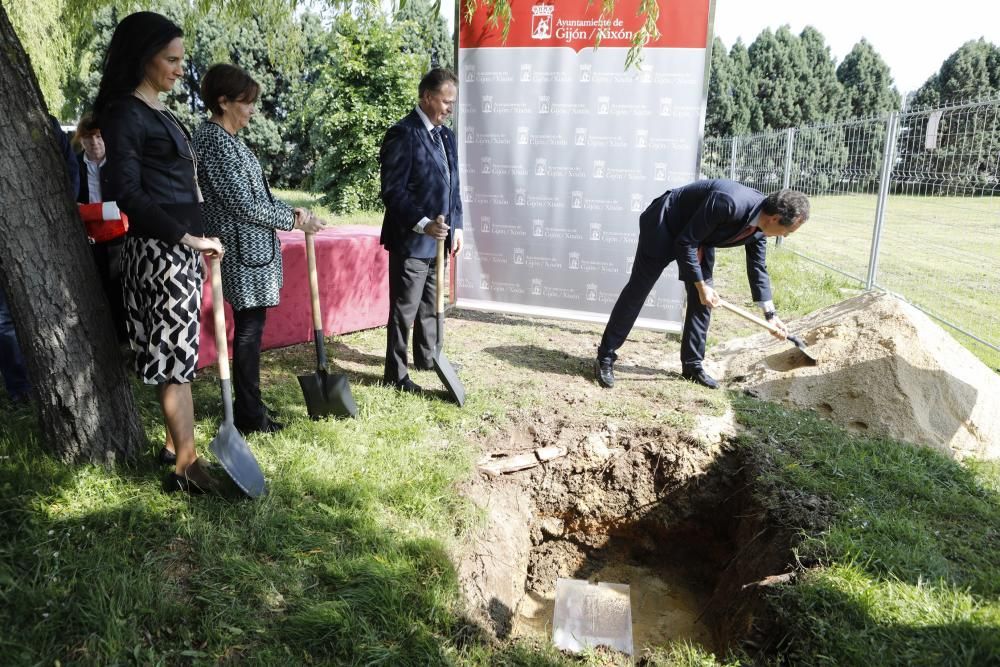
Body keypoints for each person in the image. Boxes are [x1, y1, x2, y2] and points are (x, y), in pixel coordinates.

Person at [94, 11, 226, 494]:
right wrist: (187, 239)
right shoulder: (125, 112)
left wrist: (199, 238)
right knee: (174, 361)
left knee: (181, 356)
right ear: (143, 57)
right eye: (170, 59)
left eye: (181, 59)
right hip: (159, 253)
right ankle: (186, 470)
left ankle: (176, 448)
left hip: (179, 250)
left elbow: (180, 186)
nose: (179, 69)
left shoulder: (159, 111)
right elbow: (127, 192)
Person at [192, 64, 324, 435]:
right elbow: (241, 204)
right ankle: (250, 414)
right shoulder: (213, 140)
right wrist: (293, 220)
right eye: (246, 102)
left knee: (253, 329)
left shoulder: (232, 139)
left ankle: (251, 408)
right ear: (223, 102)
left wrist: (290, 209)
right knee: (249, 332)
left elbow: (257, 197)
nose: (252, 110)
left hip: (253, 252)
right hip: (239, 252)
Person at [594, 179, 810, 390]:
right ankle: (605, 357)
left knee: (703, 302)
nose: (786, 236)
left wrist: (770, 315)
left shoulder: (761, 227)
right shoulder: (729, 202)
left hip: (700, 237)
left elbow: (758, 267)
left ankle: (692, 365)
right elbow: (685, 242)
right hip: (666, 224)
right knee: (638, 290)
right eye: (788, 231)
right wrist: (700, 285)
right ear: (774, 218)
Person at [378, 68, 464, 393]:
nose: (450, 109)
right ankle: (395, 375)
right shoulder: (403, 134)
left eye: (452, 103)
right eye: (446, 102)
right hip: (412, 239)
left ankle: (428, 357)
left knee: (430, 303)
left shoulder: (446, 136)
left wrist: (457, 226)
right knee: (405, 309)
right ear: (427, 97)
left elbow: (453, 186)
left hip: (440, 239)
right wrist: (425, 224)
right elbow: (393, 192)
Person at [75, 114, 127, 341]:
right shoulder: (75, 164)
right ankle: (107, 339)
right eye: (88, 138)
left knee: (121, 287)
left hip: (119, 236)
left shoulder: (119, 162)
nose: (94, 143)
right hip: (90, 237)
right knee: (98, 287)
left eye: (98, 137)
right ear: (81, 140)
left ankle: (125, 339)